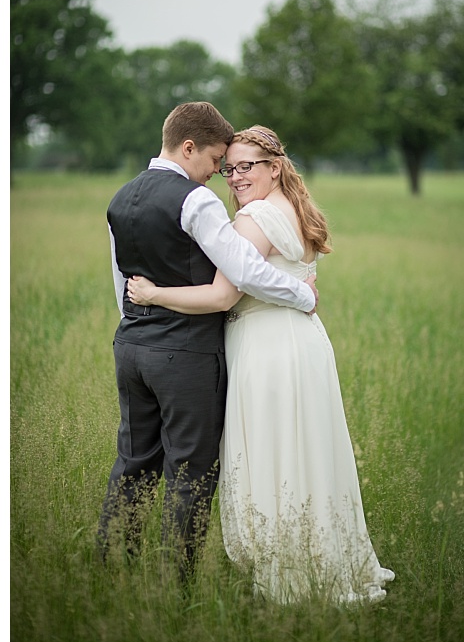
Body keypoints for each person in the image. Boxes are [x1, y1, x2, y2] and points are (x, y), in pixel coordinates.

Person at [126, 125, 393, 604]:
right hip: (303, 343)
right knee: (305, 451)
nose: (234, 177)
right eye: (229, 168)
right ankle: (326, 558)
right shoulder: (295, 208)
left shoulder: (254, 218)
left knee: (276, 454)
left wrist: (151, 293)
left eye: (246, 166)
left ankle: (291, 574)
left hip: (268, 347)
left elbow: (224, 294)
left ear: (274, 166)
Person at [101, 104, 319, 582]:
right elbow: (240, 271)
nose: (217, 174)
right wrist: (302, 292)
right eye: (217, 160)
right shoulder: (196, 200)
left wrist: (139, 323)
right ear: (188, 148)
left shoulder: (121, 198)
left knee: (133, 462)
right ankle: (176, 584)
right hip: (184, 355)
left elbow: (121, 279)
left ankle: (113, 569)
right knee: (190, 472)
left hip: (131, 345)